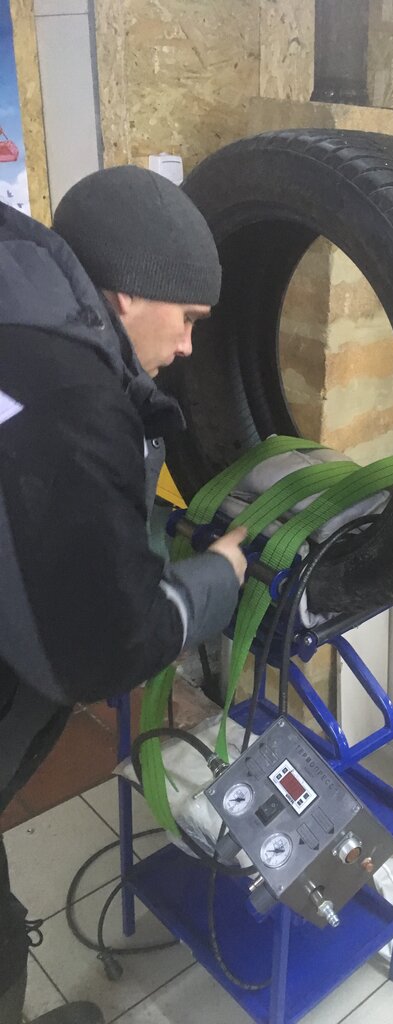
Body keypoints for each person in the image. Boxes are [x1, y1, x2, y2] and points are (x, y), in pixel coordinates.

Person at [0, 167, 248, 1024]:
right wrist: (213, 584)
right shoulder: (75, 405)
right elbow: (101, 650)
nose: (188, 348)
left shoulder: (19, 314)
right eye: (188, 320)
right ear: (129, 293)